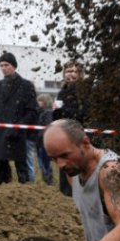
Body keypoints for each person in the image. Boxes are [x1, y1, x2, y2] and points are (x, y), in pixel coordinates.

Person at [0, 52, 38, 185]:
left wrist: (19, 127)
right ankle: (4, 192)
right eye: (1, 65)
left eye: (6, 65)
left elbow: (32, 111)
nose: (3, 68)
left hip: (18, 133)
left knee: (22, 168)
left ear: (14, 66)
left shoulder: (26, 86)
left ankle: (26, 192)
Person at [53, 61, 88, 196]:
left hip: (81, 138)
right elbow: (55, 115)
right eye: (68, 71)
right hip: (64, 137)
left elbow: (83, 114)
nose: (71, 74)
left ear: (80, 74)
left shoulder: (85, 92)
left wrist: (64, 110)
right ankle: (66, 197)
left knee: (81, 171)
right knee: (65, 168)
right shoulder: (62, 92)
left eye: (74, 71)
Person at [26, 93, 54, 185]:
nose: (38, 102)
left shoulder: (48, 112)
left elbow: (46, 126)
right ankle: (46, 180)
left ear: (45, 102)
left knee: (45, 163)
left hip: (44, 142)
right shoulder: (38, 112)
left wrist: (39, 135)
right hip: (38, 141)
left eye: (40, 101)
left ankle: (49, 181)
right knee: (41, 163)